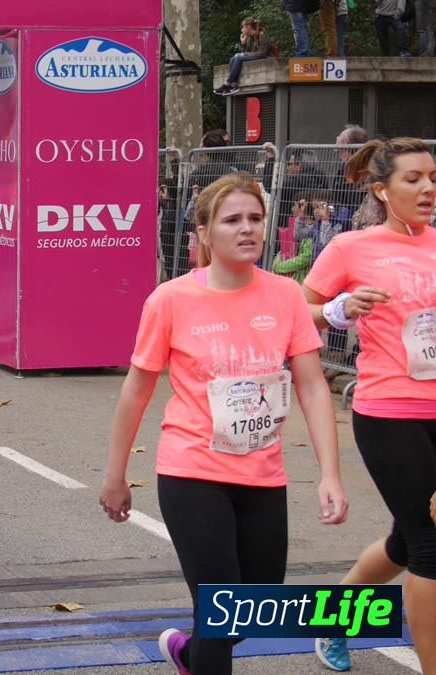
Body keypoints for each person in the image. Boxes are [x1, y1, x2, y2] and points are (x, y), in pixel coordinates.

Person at [100, 172, 348, 675]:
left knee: (253, 605)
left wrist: (330, 474)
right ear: (204, 233)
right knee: (218, 611)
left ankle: (188, 654)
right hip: (191, 470)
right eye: (232, 219)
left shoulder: (285, 296)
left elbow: (313, 386)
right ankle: (201, 651)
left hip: (262, 473)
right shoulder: (170, 300)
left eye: (255, 218)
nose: (247, 229)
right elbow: (137, 389)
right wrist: (115, 475)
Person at [304, 138, 436, 673]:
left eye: (432, 176)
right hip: (390, 413)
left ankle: (333, 618)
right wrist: (337, 307)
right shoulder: (351, 247)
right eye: (413, 179)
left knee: (408, 540)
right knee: (431, 546)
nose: (428, 187)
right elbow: (300, 308)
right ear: (382, 190)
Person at [214, 18, 273, 96]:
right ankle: (233, 86)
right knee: (233, 59)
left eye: (243, 27)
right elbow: (245, 51)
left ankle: (228, 84)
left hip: (265, 57)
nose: (241, 30)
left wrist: (244, 55)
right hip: (255, 57)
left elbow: (262, 52)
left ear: (249, 27)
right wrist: (243, 43)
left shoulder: (262, 35)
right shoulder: (249, 38)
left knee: (238, 57)